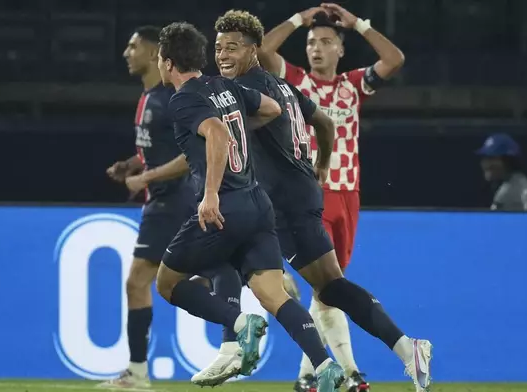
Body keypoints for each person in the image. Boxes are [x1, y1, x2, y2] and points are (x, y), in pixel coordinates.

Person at [140, 11, 430, 392]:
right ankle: (406, 348)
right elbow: (325, 123)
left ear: (254, 50)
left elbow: (217, 138)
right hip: (299, 195)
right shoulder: (281, 87)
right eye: (218, 48)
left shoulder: (236, 91)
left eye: (233, 48)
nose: (223, 56)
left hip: (279, 203)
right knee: (328, 288)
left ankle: (234, 343)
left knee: (220, 258)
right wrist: (320, 166)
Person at [154, 21, 345, 392]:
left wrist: (210, 194)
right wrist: (243, 123)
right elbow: (273, 109)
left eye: (160, 59)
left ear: (169, 63)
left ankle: (238, 325)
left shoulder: (185, 98)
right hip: (259, 203)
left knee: (167, 282)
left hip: (226, 204)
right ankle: (324, 365)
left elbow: (217, 133)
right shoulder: (226, 86)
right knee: (273, 293)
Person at [256, 5, 417, 391]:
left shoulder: (354, 85)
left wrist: (357, 23)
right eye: (312, 42)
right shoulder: (294, 81)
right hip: (313, 192)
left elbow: (394, 59)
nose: (316, 48)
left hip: (350, 196)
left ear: (340, 50)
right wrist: (300, 19)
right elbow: (262, 51)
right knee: (327, 286)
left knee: (328, 291)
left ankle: (308, 376)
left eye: (326, 42)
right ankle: (350, 373)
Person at [100, 26, 201, 389]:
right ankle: (254, 271)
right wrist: (134, 164)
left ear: (155, 51)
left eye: (133, 46)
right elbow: (155, 148)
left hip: (173, 199)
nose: (127, 52)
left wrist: (146, 177)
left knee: (139, 282)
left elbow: (193, 154)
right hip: (165, 198)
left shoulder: (169, 99)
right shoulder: (148, 97)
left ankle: (138, 374)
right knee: (165, 280)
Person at [477, 133, 527, 211]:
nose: (485, 164)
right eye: (485, 158)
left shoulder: (510, 191)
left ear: (508, 162)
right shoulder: (517, 183)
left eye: (491, 158)